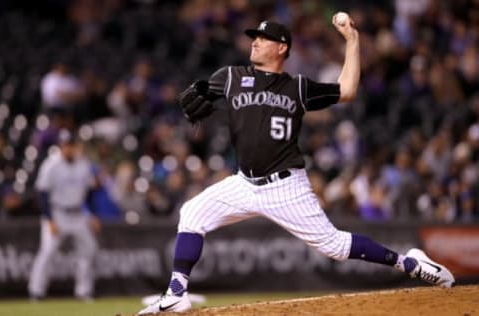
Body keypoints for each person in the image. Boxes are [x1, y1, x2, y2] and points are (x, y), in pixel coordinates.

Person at [138, 16, 455, 314]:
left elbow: (347, 90)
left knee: (334, 245)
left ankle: (411, 264)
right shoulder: (231, 77)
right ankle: (177, 294)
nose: (255, 42)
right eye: (254, 38)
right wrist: (198, 96)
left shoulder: (298, 87)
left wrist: (352, 41)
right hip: (244, 183)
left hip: (285, 185)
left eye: (263, 38)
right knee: (192, 213)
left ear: (282, 47)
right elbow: (200, 96)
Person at [29, 129, 101, 301]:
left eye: (71, 145)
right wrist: (49, 219)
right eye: (66, 145)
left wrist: (91, 214)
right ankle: (36, 291)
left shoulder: (83, 164)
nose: (69, 149)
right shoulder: (50, 165)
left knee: (89, 249)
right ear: (60, 146)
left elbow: (90, 192)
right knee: (47, 251)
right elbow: (43, 194)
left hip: (78, 213)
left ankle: (84, 291)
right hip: (57, 213)